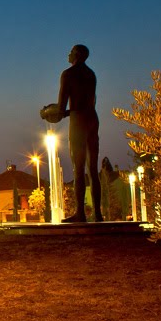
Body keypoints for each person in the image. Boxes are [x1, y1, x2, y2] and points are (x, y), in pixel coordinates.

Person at [54, 44, 102, 222]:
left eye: (71, 52)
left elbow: (61, 107)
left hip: (78, 121)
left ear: (77, 55)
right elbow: (90, 101)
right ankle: (98, 213)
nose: (68, 54)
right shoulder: (91, 75)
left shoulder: (68, 74)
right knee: (93, 169)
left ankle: (80, 213)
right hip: (92, 118)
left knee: (78, 168)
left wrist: (49, 113)